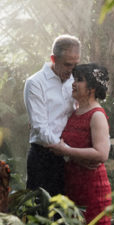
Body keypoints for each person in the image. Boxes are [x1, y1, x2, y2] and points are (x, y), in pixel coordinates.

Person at [51, 63, 113, 225]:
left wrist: (66, 151)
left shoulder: (97, 115)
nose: (73, 83)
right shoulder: (74, 111)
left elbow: (101, 153)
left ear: (92, 88)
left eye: (79, 80)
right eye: (74, 79)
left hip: (92, 188)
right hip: (72, 185)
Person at [24, 34, 81, 195]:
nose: (72, 71)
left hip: (69, 157)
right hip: (43, 158)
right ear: (53, 58)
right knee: (40, 213)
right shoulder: (35, 83)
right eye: (67, 65)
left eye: (75, 65)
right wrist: (68, 152)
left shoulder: (74, 81)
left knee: (65, 215)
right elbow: (40, 129)